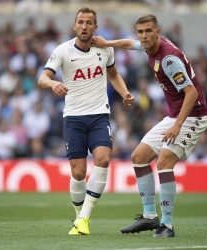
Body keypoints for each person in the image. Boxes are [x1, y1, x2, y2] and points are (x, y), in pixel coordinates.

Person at [92, 14, 207, 237]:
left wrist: (177, 125)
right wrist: (107, 43)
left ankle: (167, 224)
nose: (143, 36)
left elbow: (191, 93)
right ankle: (149, 217)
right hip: (175, 115)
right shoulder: (150, 46)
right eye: (140, 32)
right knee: (139, 157)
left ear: (158, 32)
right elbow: (128, 44)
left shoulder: (168, 59)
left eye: (148, 31)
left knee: (164, 160)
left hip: (193, 116)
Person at [38, 7, 135, 235]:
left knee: (103, 159)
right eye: (80, 22)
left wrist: (125, 93)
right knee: (79, 173)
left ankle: (85, 218)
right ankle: (78, 218)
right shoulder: (62, 51)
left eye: (89, 22)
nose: (84, 26)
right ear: (74, 26)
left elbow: (113, 74)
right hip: (73, 118)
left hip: (99, 115)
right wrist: (53, 84)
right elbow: (43, 77)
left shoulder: (105, 50)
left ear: (95, 27)